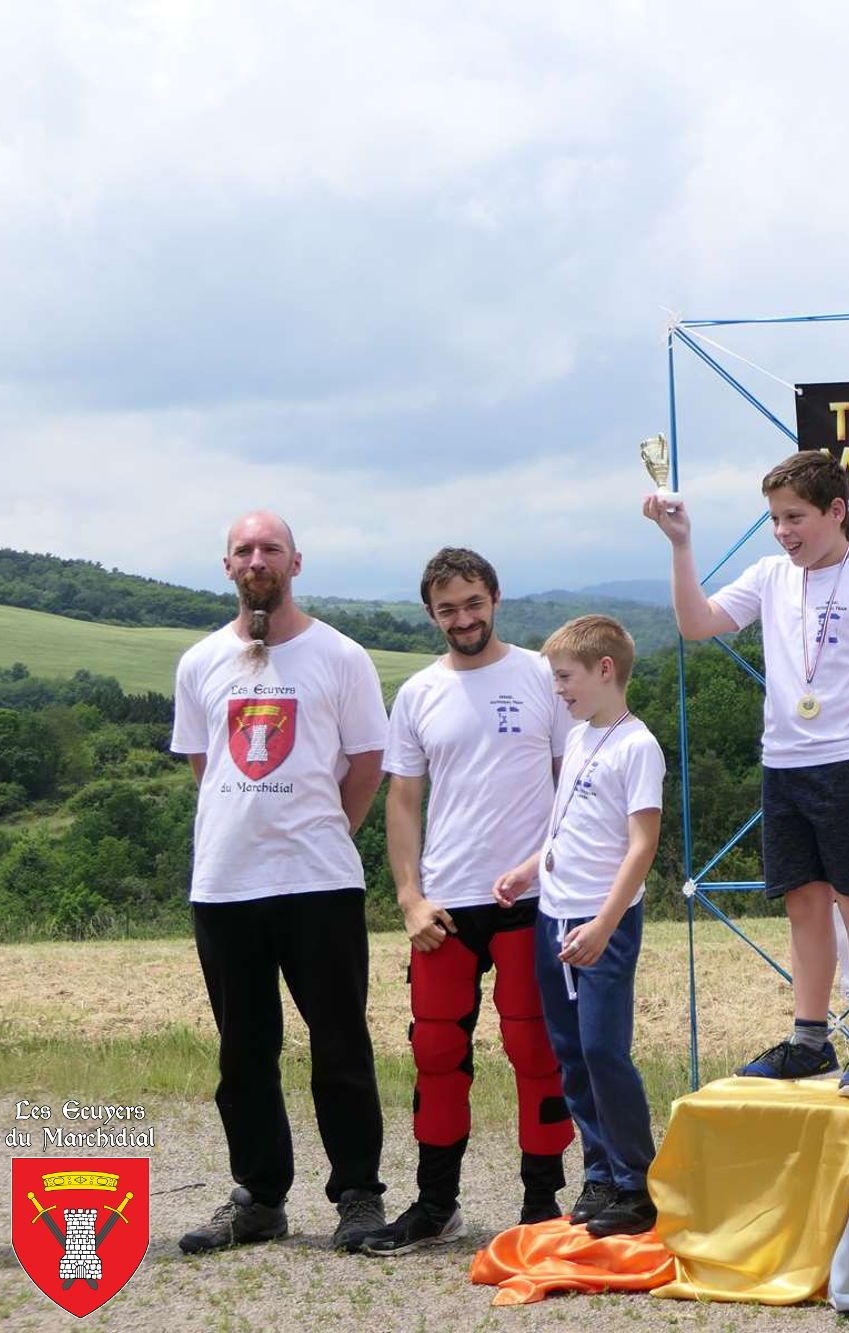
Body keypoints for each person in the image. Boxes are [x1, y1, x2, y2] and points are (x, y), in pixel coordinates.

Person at [645, 450, 849, 1096]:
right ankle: (808, 1039)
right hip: (785, 761)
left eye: (794, 516)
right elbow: (696, 622)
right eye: (774, 518)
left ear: (836, 511)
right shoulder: (771, 576)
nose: (782, 531)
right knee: (802, 903)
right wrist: (680, 545)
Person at [170, 511, 391, 1255]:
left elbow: (366, 765)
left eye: (270, 548)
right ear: (226, 565)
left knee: (339, 1043)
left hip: (320, 882)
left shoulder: (341, 656)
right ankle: (260, 1197)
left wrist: (324, 830)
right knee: (243, 1051)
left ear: (297, 561)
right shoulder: (200, 661)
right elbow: (208, 769)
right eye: (244, 549)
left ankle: (358, 1194)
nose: (257, 558)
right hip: (226, 883)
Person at [360, 548, 576, 1256]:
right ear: (432, 613)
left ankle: (543, 1202)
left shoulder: (542, 674)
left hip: (530, 896)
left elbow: (572, 781)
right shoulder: (418, 690)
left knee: (534, 1048)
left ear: (495, 598)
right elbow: (401, 799)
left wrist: (554, 868)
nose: (463, 619)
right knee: (437, 1052)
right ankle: (434, 1205)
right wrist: (408, 898)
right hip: (445, 905)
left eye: (473, 603)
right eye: (447, 608)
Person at [492, 615, 664, 1238]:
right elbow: (567, 825)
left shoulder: (635, 745)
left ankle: (636, 1184)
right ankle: (599, 1174)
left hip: (600, 921)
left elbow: (641, 845)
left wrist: (603, 925)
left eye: (565, 678)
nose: (558, 690)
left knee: (602, 1050)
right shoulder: (582, 734)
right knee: (569, 1051)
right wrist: (529, 869)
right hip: (553, 914)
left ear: (604, 670)